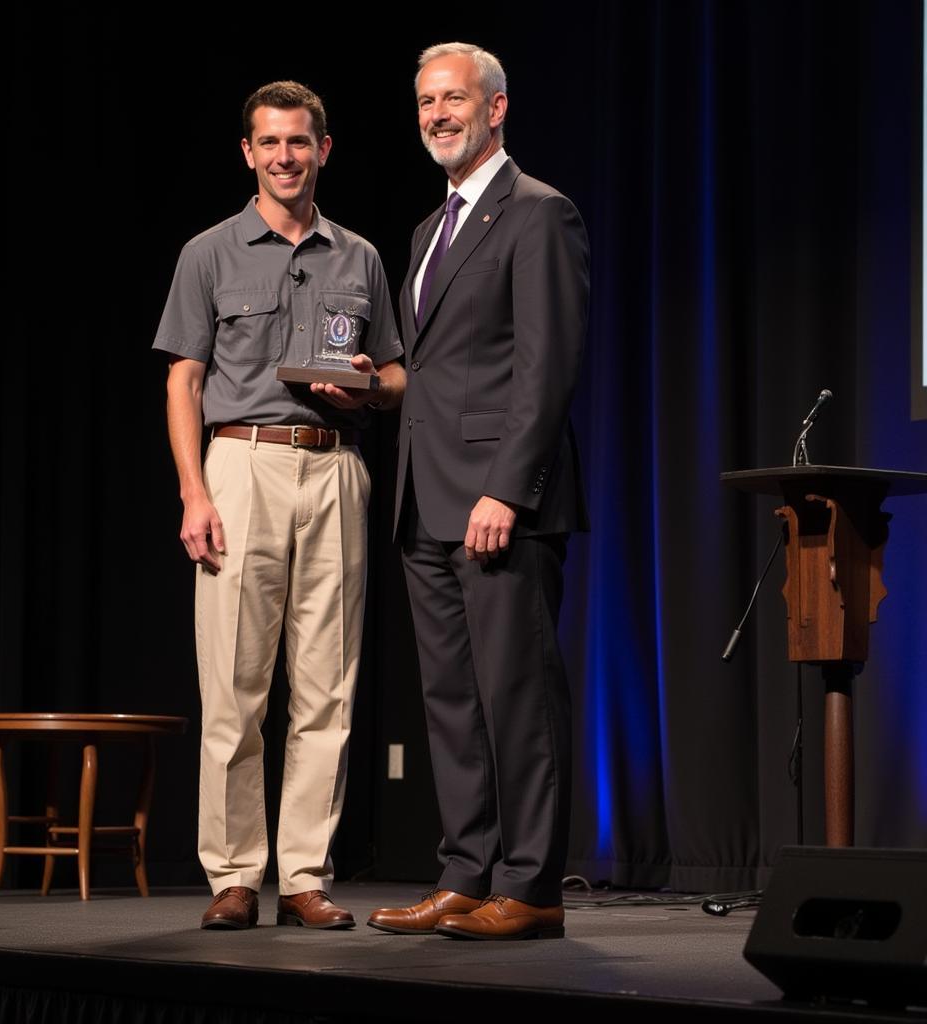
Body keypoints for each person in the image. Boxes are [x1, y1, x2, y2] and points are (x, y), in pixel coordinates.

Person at [154, 81, 405, 931]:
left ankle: (302, 875)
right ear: (249, 153)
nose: (286, 158)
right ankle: (232, 876)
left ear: (323, 150)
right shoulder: (210, 252)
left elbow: (400, 372)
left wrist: (369, 386)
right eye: (271, 144)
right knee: (234, 685)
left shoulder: (358, 256)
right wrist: (193, 490)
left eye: (301, 143)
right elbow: (184, 377)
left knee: (327, 688)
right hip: (241, 466)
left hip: (334, 470)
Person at [368, 43, 589, 940]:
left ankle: (532, 888)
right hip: (427, 499)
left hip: (499, 504)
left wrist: (509, 489)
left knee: (517, 699)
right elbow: (441, 369)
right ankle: (466, 871)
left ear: (496, 108)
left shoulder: (538, 213)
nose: (437, 114)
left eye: (453, 97)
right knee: (451, 703)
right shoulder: (428, 232)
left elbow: (548, 364)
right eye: (425, 100)